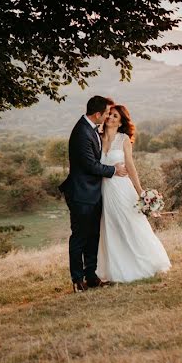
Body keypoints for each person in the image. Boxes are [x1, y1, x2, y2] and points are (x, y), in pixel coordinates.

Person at [59, 95, 128, 293]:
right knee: (80, 237)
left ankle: (91, 276)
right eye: (106, 113)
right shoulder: (81, 132)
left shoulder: (91, 129)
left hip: (94, 193)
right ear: (97, 114)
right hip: (81, 193)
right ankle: (77, 280)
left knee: (93, 236)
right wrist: (114, 170)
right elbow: (89, 165)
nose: (107, 117)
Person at [96, 103, 171, 283]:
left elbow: (130, 166)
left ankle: (147, 263)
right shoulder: (96, 137)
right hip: (103, 190)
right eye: (109, 114)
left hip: (122, 189)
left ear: (121, 122)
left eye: (115, 116)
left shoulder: (123, 139)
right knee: (110, 227)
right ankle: (116, 269)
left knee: (130, 224)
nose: (110, 118)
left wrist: (141, 192)